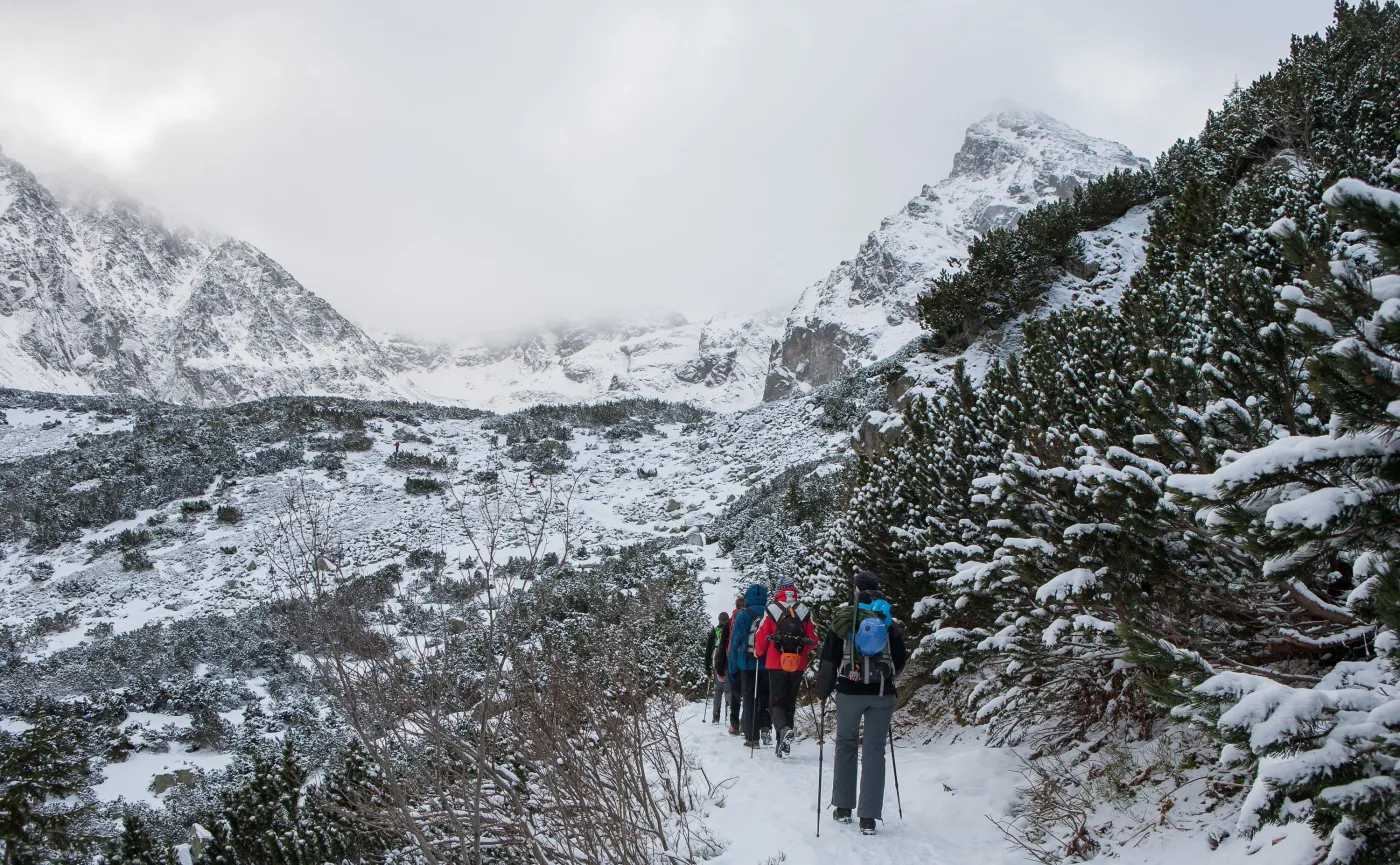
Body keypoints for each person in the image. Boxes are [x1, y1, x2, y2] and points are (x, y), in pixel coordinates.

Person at [816, 570, 907, 836]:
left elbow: (829, 659)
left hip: (849, 691)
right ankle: (868, 817)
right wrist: (887, 676)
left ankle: (843, 808)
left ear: (854, 590)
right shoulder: (888, 620)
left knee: (846, 744)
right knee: (874, 751)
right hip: (881, 693)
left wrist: (822, 692)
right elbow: (900, 660)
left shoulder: (845, 617)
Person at [753, 576, 817, 757]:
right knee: (790, 702)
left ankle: (782, 730)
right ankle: (784, 743)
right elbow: (813, 640)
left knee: (775, 703)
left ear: (779, 590)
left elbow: (761, 635)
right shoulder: (804, 610)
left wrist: (758, 653)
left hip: (776, 662)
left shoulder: (772, 609)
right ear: (793, 591)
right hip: (797, 663)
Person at [727, 584, 771, 748]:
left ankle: (752, 737)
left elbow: (735, 643)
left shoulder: (743, 616)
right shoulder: (770, 613)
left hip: (747, 664)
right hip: (767, 663)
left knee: (749, 699)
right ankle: (766, 728)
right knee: (765, 697)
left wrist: (732, 667)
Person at [703, 611, 730, 723]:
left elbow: (708, 651)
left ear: (719, 620)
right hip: (728, 661)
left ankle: (716, 715)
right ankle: (729, 716)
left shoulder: (714, 631)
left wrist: (707, 669)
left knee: (718, 689)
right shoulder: (730, 629)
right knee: (729, 689)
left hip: (716, 661)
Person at [726, 595, 744, 734]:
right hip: (749, 661)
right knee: (749, 694)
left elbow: (724, 646)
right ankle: (745, 723)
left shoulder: (731, 621)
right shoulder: (753, 618)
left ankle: (734, 725)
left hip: (734, 660)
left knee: (735, 695)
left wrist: (722, 668)